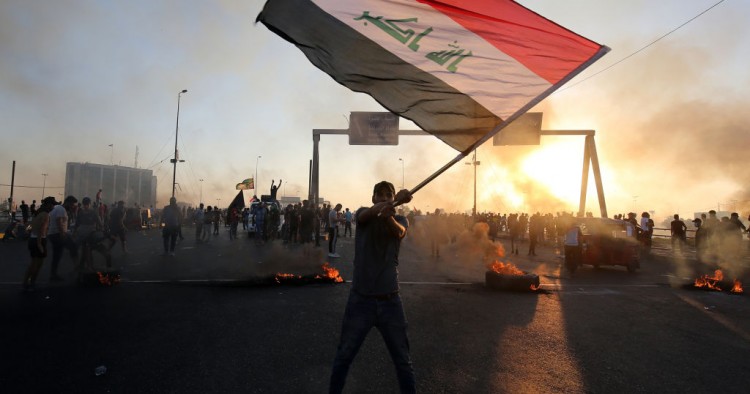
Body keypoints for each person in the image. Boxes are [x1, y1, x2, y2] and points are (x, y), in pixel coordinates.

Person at [329, 181, 414, 394]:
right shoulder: (363, 214)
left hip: (391, 301)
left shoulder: (400, 219)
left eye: (389, 195)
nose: (385, 198)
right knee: (343, 357)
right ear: (373, 198)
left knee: (403, 362)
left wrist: (390, 214)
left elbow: (400, 232)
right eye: (381, 195)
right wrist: (390, 204)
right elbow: (366, 216)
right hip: (361, 300)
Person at [22, 196, 55, 291]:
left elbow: (29, 226)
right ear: (49, 205)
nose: (53, 207)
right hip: (39, 240)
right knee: (37, 264)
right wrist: (39, 243)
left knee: (34, 263)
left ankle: (27, 282)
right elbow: (42, 229)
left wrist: (29, 232)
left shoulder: (38, 213)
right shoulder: (45, 215)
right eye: (53, 205)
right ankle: (31, 283)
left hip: (33, 239)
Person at [48, 195, 79, 281]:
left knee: (57, 255)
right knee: (73, 247)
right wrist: (63, 234)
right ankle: (77, 268)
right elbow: (59, 221)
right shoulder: (61, 210)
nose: (73, 207)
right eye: (72, 205)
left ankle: (53, 275)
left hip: (53, 234)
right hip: (58, 234)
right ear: (68, 203)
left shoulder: (57, 208)